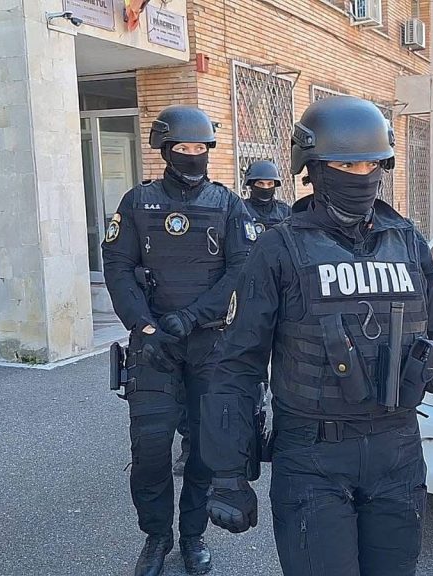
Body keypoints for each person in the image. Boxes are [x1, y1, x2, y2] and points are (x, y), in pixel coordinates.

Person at [199, 96, 433, 576]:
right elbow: (237, 364)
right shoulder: (279, 248)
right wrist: (227, 473)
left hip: (397, 451)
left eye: (370, 164)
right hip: (311, 456)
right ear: (314, 169)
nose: (361, 175)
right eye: (345, 165)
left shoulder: (407, 241)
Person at [101, 105, 256, 576]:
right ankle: (156, 536)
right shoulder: (137, 201)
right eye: (184, 147)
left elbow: (241, 271)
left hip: (209, 344)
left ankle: (192, 536)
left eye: (200, 148)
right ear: (166, 150)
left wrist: (192, 317)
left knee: (205, 451)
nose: (193, 155)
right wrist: (144, 325)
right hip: (153, 346)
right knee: (150, 453)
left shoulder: (228, 204)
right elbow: (118, 266)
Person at [242, 159, 291, 233]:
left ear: (275, 185)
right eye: (260, 183)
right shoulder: (242, 209)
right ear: (252, 185)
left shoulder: (284, 211)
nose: (265, 187)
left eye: (270, 184)